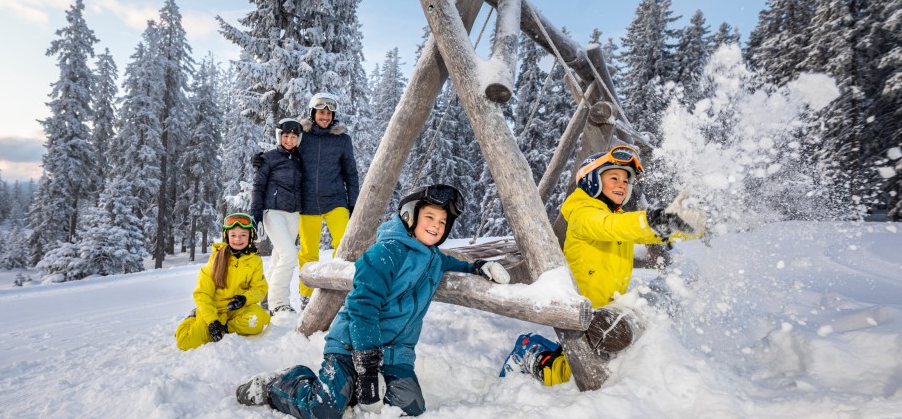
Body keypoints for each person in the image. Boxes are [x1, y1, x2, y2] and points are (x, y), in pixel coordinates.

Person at [235, 184, 512, 417]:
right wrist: (366, 368)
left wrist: (477, 267)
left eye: (442, 222)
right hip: (350, 346)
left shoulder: (434, 257)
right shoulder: (385, 253)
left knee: (410, 410)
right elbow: (362, 307)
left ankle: (353, 390)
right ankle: (282, 383)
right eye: (430, 217)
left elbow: (451, 262)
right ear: (410, 216)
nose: (436, 226)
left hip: (395, 355)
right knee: (325, 410)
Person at [500, 145, 706, 386]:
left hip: (604, 310)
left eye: (627, 180)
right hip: (580, 311)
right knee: (567, 377)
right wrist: (658, 219)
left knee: (603, 362)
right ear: (592, 181)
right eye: (614, 178)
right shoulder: (582, 212)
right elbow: (608, 226)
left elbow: (644, 232)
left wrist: (687, 227)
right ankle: (528, 351)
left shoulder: (617, 217)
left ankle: (551, 351)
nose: (622, 184)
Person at [295, 92, 360, 311]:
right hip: (307, 202)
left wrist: (354, 202)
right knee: (308, 251)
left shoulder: (342, 139)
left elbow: (350, 172)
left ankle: (337, 291)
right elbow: (284, 155)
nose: (325, 117)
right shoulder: (302, 137)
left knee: (342, 246)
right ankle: (306, 295)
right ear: (313, 114)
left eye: (329, 113)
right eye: (321, 112)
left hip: (335, 201)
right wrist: (265, 160)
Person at [174, 213, 271, 351]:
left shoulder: (255, 261)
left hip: (236, 310)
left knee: (259, 320)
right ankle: (193, 317)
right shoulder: (215, 260)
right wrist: (212, 321)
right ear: (227, 236)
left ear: (251, 237)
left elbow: (260, 289)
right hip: (214, 310)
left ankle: (226, 327)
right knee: (186, 342)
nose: (238, 239)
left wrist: (245, 299)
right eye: (233, 235)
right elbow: (202, 293)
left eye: (243, 235)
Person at [250, 118, 304, 315]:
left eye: (293, 137)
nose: (289, 140)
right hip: (272, 212)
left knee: (279, 256)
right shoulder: (269, 158)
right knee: (290, 255)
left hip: (294, 213)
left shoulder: (301, 159)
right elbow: (258, 187)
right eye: (285, 136)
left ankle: (263, 298)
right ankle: (279, 302)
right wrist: (255, 216)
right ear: (279, 136)